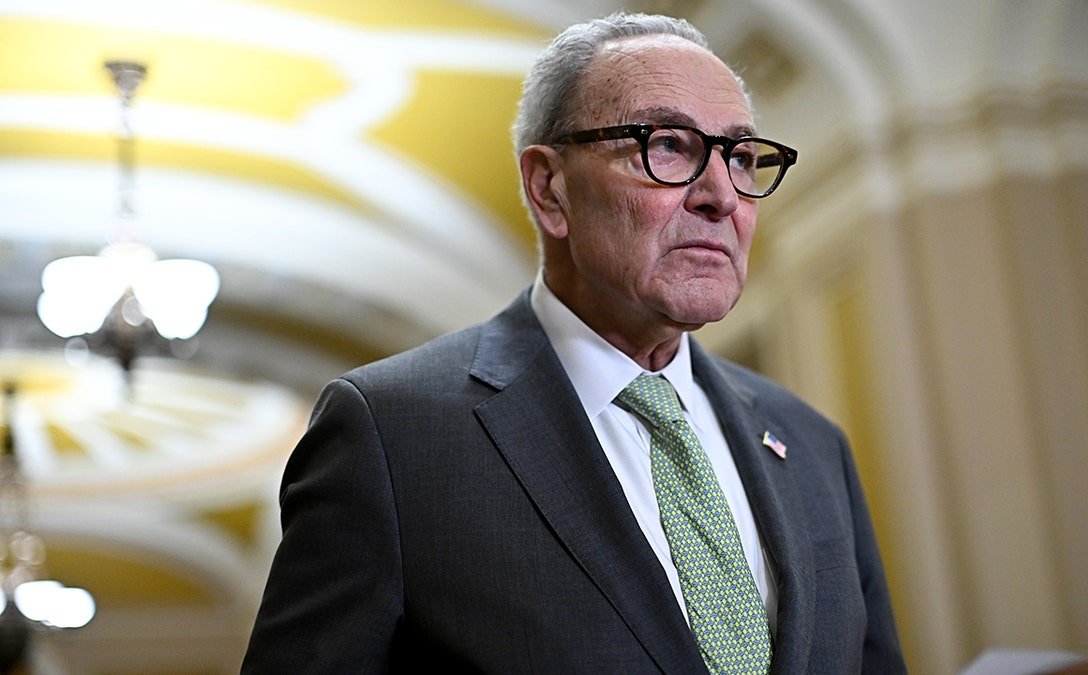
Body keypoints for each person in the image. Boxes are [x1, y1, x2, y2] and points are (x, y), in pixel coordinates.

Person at [242, 12, 904, 674]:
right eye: (669, 145)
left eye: (738, 156)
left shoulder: (813, 443)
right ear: (549, 188)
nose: (721, 195)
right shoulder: (392, 435)